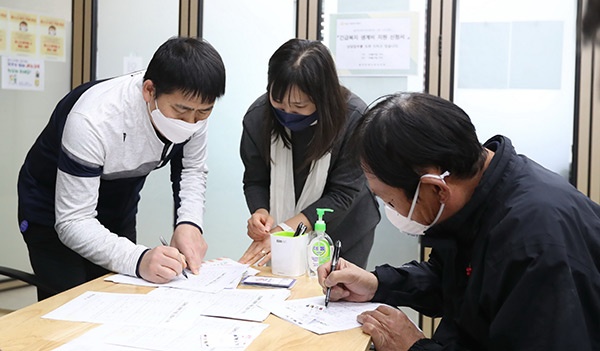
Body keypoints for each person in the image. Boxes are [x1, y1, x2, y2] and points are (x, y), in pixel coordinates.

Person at [318, 92, 600, 350]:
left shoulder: (535, 245)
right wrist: (377, 284)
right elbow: (457, 279)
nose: (391, 211)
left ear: (436, 189)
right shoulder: (480, 195)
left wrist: (414, 347)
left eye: (389, 201)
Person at [17, 37, 226, 300]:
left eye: (203, 113)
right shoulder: (93, 119)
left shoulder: (193, 109)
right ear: (149, 91)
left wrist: (189, 224)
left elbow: (191, 169)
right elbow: (72, 221)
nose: (191, 122)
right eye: (181, 111)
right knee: (68, 308)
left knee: (120, 299)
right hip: (53, 210)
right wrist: (140, 259)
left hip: (118, 204)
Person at [238, 38, 380, 268]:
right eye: (279, 102)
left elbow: (343, 193)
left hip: (343, 227)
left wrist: (285, 230)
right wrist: (260, 212)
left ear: (323, 97)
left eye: (299, 106)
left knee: (335, 294)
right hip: (282, 231)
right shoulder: (258, 117)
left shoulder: (354, 118)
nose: (287, 112)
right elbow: (255, 179)